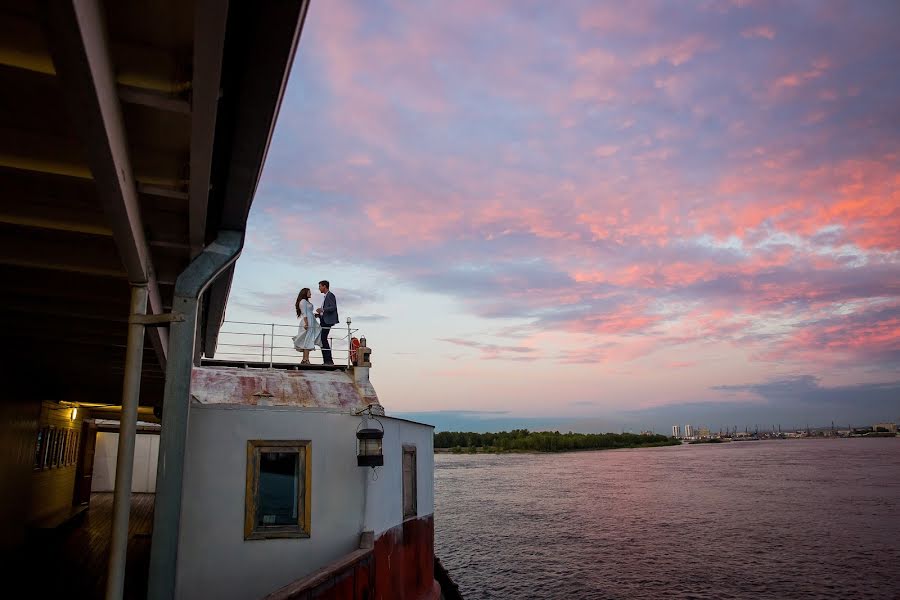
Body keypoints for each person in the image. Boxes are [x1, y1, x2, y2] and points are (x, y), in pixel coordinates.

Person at [292, 287, 321, 364]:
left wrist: (315, 315)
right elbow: (304, 313)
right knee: (307, 339)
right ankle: (305, 359)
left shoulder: (306, 301)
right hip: (307, 321)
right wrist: (306, 323)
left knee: (308, 339)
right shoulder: (303, 301)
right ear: (305, 293)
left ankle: (305, 359)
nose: (310, 293)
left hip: (310, 320)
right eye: (309, 292)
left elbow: (308, 312)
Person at [315, 280, 339, 365]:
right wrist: (319, 315)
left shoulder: (330, 295)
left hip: (327, 322)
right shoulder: (326, 296)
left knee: (323, 339)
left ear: (324, 286)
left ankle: (328, 360)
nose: (319, 288)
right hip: (324, 320)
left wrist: (322, 309)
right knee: (323, 339)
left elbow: (333, 307)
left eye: (320, 286)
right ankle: (327, 360)